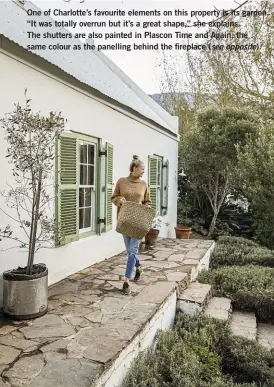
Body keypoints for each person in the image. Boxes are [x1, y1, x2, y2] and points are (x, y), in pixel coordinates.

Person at [111, 155, 152, 295]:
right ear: (134, 168)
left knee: (132, 251)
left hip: (138, 224)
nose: (143, 172)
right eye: (142, 169)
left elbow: (148, 201)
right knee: (130, 251)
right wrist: (119, 200)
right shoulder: (121, 182)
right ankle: (139, 267)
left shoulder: (143, 184)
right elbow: (113, 197)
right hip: (124, 221)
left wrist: (147, 207)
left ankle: (126, 281)